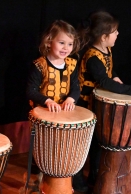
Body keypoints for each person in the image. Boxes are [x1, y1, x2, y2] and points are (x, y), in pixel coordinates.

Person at [73, 10, 131, 192]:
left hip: (97, 105)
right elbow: (103, 81)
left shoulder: (107, 49)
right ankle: (77, 179)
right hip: (84, 105)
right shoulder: (92, 56)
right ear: (104, 37)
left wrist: (116, 77)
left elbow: (109, 73)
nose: (118, 34)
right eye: (114, 32)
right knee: (84, 146)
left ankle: (95, 175)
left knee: (97, 143)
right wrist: (130, 90)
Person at [22, 20, 81, 193]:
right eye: (61, 42)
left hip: (64, 115)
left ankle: (63, 182)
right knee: (41, 153)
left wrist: (71, 98)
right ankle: (36, 182)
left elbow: (76, 87)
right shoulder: (40, 65)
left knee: (62, 152)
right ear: (49, 41)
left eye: (70, 44)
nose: (66, 48)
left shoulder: (71, 64)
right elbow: (30, 91)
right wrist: (47, 100)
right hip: (44, 115)